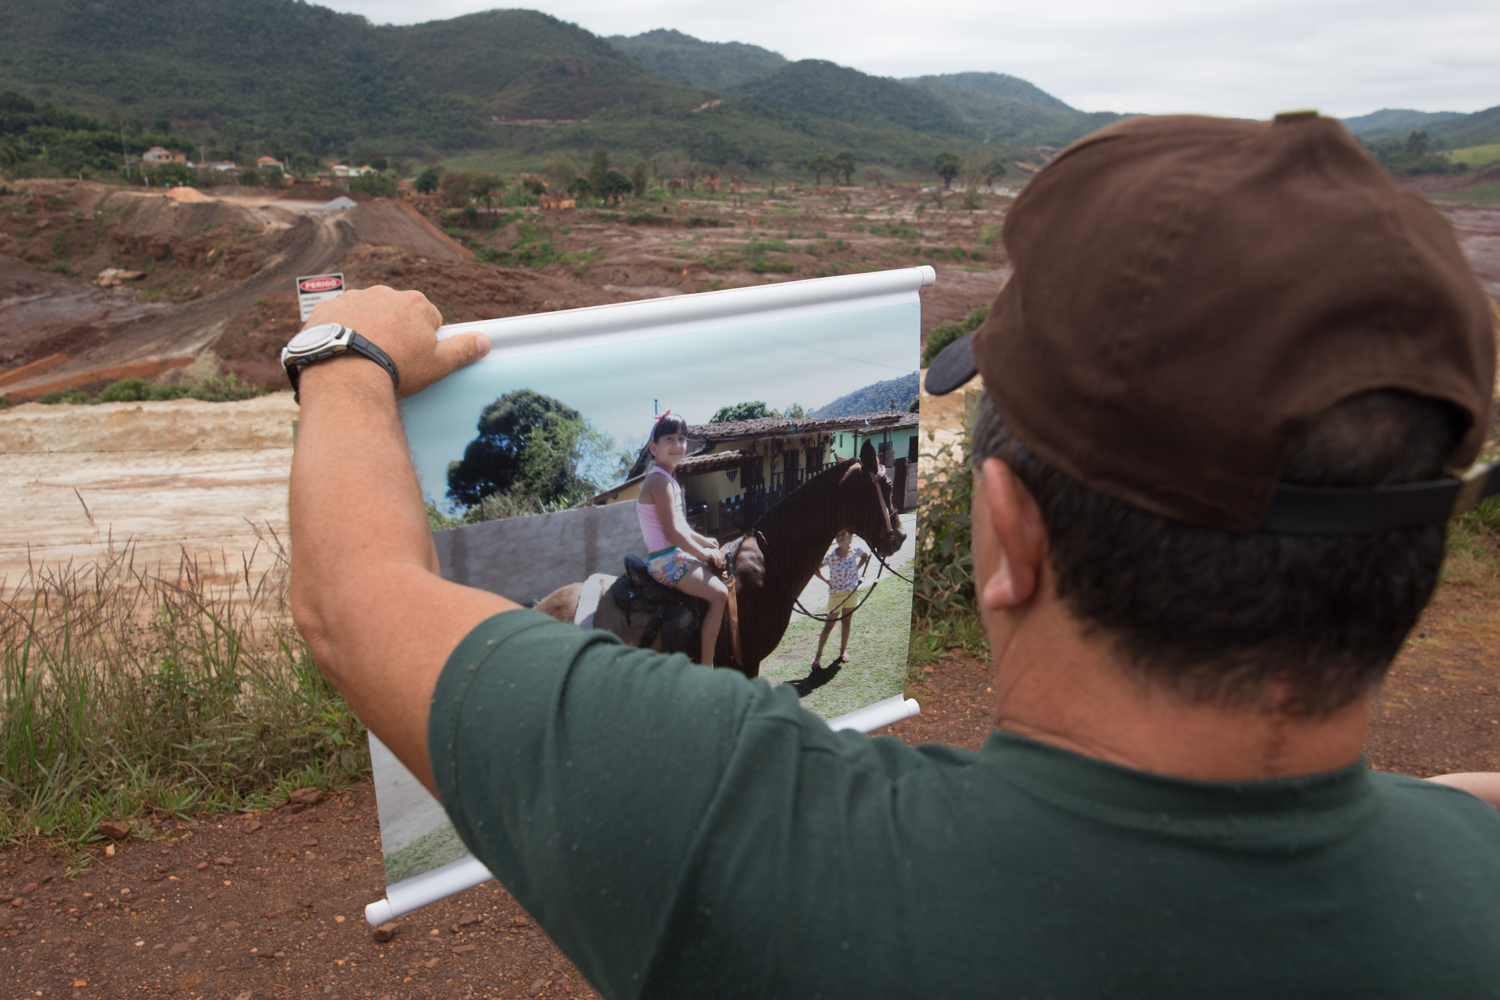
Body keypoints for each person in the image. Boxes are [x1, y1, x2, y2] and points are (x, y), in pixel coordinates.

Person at [287, 111, 1500, 998]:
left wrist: (345, 359)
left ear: (1010, 534)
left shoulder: (738, 832)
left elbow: (355, 598)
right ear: (1420, 550)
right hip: (663, 561)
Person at [634, 410, 729, 665]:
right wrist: (703, 553)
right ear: (654, 448)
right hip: (666, 560)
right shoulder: (658, 481)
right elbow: (672, 533)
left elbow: (682, 527)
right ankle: (706, 665)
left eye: (681, 438)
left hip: (672, 555)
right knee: (720, 594)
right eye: (669, 439)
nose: (677, 445)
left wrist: (704, 541)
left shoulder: (668, 480)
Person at [812, 528, 869, 671]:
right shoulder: (831, 555)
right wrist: (827, 581)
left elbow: (865, 556)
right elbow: (814, 568)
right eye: (837, 535)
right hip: (835, 596)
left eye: (843, 533)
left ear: (851, 535)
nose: (840, 537)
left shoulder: (856, 550)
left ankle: (843, 651)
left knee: (846, 622)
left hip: (851, 594)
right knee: (828, 625)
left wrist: (857, 569)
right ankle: (818, 656)